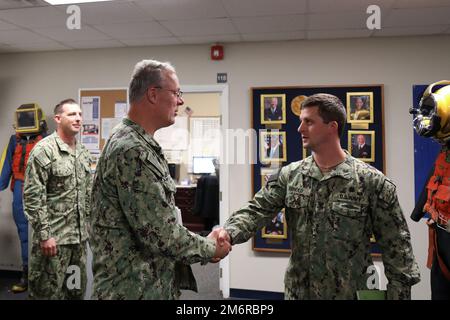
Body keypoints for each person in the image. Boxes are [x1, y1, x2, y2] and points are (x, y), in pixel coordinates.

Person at [212, 93, 420, 299]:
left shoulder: (370, 182)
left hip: (351, 293)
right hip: (300, 293)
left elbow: (398, 249)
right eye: (301, 121)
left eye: (308, 122)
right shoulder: (290, 176)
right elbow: (257, 210)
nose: (300, 128)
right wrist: (229, 233)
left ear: (333, 127)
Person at [90, 59, 231, 300]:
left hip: (147, 285)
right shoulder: (132, 149)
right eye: (176, 93)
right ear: (153, 94)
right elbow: (161, 234)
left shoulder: (134, 140)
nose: (181, 100)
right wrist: (209, 247)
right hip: (133, 290)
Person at [23, 98, 92, 299]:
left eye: (80, 114)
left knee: (75, 292)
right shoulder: (44, 150)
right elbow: (33, 196)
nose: (78, 118)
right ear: (58, 118)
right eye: (72, 114)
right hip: (53, 242)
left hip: (78, 242)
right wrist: (45, 235)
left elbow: (86, 195)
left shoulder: (83, 152)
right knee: (47, 294)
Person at [0, 104, 47, 293]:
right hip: (20, 189)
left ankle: (43, 278)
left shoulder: (48, 141)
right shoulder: (14, 141)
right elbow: (5, 167)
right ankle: (26, 275)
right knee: (24, 236)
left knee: (44, 235)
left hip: (42, 191)